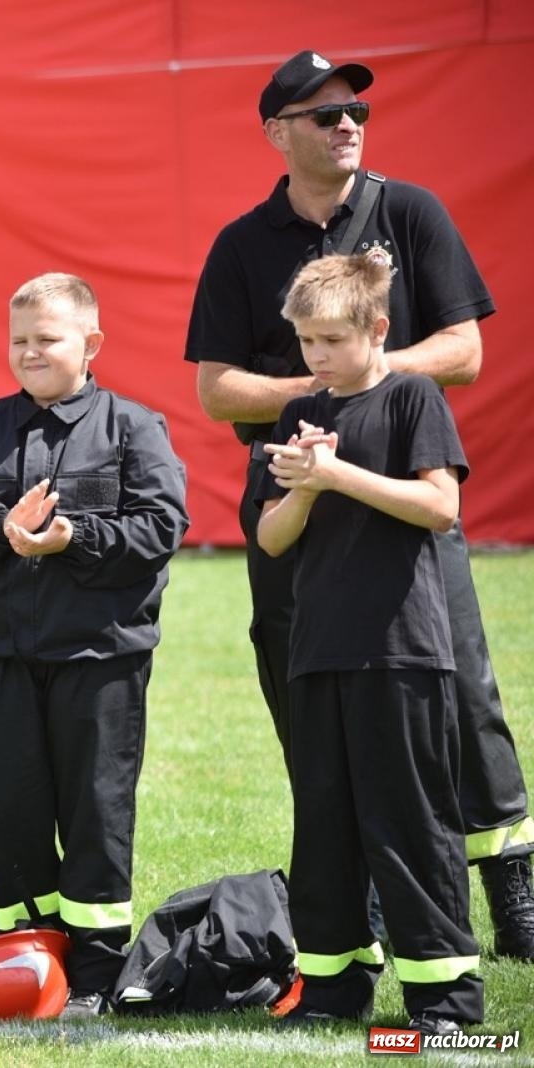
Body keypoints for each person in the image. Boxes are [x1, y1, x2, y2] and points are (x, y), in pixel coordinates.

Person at [183, 48, 534, 958]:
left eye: (356, 113)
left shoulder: (409, 212)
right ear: (277, 133)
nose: (348, 125)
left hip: (406, 489)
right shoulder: (241, 243)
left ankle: (514, 892)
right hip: (293, 502)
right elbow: (218, 391)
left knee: (460, 691)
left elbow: (462, 350)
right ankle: (357, 891)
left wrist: (360, 381)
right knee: (311, 700)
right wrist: (318, 392)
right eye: (324, 113)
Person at [0, 273, 188, 1017]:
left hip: (99, 660)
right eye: (19, 340)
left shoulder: (135, 427)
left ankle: (100, 968)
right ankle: (31, 949)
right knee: (7, 807)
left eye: (48, 338)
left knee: (94, 812)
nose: (31, 352)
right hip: (5, 659)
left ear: (91, 344)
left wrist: (75, 540)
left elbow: (161, 527)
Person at [258, 252, 482, 1034]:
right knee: (323, 824)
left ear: (376, 328)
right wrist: (299, 486)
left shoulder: (413, 396)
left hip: (402, 652)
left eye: (328, 339)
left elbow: (438, 507)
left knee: (410, 823)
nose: (314, 356)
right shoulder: (298, 417)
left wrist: (335, 475)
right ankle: (331, 987)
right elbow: (273, 538)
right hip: (318, 651)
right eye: (305, 341)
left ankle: (445, 999)